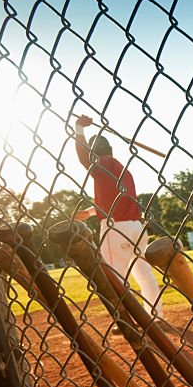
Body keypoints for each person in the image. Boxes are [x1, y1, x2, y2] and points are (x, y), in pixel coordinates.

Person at [72, 115, 163, 319]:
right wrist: (89, 212)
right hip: (136, 228)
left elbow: (83, 158)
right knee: (144, 274)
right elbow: (114, 201)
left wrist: (79, 129)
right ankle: (156, 316)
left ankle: (126, 321)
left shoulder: (102, 165)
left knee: (114, 277)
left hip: (116, 231)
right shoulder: (120, 169)